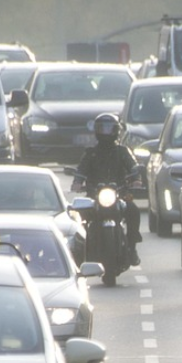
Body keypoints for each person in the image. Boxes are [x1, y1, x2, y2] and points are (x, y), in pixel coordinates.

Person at [75, 113, 142, 265]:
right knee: (80, 215)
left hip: (119, 194)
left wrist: (136, 179)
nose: (105, 132)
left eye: (109, 128)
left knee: (133, 211)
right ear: (97, 131)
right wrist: (77, 182)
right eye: (102, 128)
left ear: (116, 130)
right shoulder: (90, 153)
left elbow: (134, 167)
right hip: (94, 196)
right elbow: (81, 170)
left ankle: (132, 247)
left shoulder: (122, 152)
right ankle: (81, 251)